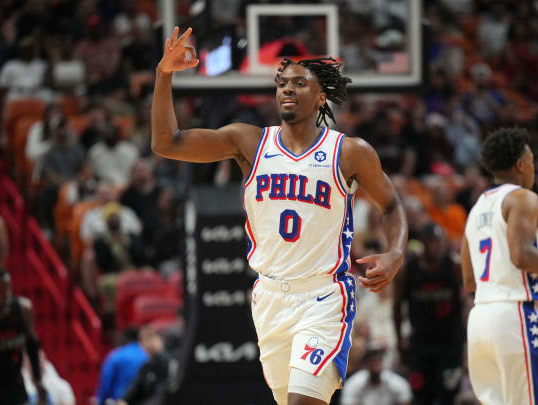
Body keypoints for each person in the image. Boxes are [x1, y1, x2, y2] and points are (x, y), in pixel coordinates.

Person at [151, 27, 407, 405]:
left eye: (299, 83)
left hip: (323, 296)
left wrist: (395, 252)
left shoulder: (350, 152)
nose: (287, 88)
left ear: (321, 96)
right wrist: (164, 74)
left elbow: (392, 206)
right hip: (269, 297)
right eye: (281, 82)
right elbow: (166, 143)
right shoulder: (250, 142)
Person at [460, 127, 538, 405]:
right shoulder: (522, 197)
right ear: (520, 164)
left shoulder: (477, 208)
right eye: (533, 161)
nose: (535, 168)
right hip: (516, 317)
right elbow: (520, 256)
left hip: (480, 320)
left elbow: (469, 280)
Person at [393, 222, 462, 404]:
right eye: (432, 242)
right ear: (423, 243)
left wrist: (465, 342)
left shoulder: (454, 267)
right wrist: (399, 339)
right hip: (420, 341)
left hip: (449, 342)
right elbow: (396, 307)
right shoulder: (409, 270)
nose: (436, 246)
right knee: (420, 395)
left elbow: (466, 304)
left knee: (448, 395)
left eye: (439, 241)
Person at [0, 265, 46, 405]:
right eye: (0, 289)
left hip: (15, 387)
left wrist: (38, 380)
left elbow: (32, 345)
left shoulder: (23, 309)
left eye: (8, 288)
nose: (6, 293)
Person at [339, 346, 412, 405]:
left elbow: (405, 400)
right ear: (366, 363)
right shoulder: (353, 384)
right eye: (372, 360)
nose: (375, 363)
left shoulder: (397, 383)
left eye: (378, 360)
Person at [117, 326, 172, 405]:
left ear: (159, 339)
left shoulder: (170, 361)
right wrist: (123, 400)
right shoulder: (146, 367)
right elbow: (134, 388)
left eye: (151, 337)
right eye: (145, 340)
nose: (149, 343)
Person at [96, 328, 149, 405]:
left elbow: (106, 381)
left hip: (119, 401)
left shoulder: (116, 355)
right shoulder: (147, 356)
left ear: (125, 338)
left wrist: (101, 401)